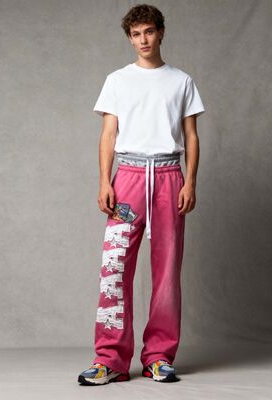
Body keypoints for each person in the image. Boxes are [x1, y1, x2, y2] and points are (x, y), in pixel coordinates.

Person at [78, 3, 205, 385]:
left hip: (168, 177)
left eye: (149, 31)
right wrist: (105, 181)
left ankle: (159, 357)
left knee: (167, 271)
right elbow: (108, 134)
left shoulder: (181, 81)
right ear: (130, 38)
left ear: (160, 33)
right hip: (129, 179)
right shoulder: (117, 80)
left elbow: (191, 135)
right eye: (136, 34)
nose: (143, 40)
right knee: (115, 268)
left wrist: (190, 181)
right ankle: (110, 359)